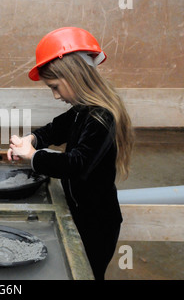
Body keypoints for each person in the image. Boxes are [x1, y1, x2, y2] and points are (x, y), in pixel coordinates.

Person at [7, 27, 134, 280]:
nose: (55, 95)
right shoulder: (81, 109)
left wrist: (34, 157)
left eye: (55, 87)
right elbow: (57, 128)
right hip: (78, 211)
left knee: (87, 273)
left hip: (98, 223)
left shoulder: (102, 116)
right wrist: (31, 139)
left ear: (75, 76)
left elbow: (77, 164)